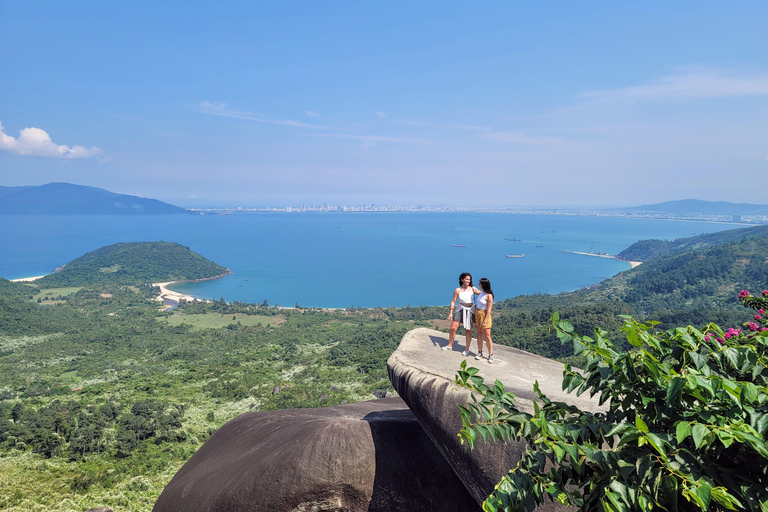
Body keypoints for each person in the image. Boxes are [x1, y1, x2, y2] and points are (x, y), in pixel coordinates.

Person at [444, 272, 480, 355]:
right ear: (462, 279)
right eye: (467, 279)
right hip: (460, 309)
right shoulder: (458, 290)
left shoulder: (473, 288)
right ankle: (450, 345)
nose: (468, 281)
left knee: (468, 330)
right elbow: (453, 301)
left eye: (469, 279)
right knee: (453, 328)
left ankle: (467, 349)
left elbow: (481, 294)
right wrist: (450, 312)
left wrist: (488, 294)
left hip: (470, 310)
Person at [474, 277, 495, 363]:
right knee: (479, 334)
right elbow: (476, 291)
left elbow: (489, 309)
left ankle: (491, 354)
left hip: (485, 315)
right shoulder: (481, 293)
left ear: (483, 285)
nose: (478, 284)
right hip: (478, 313)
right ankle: (480, 352)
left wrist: (485, 320)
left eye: (479, 283)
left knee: (487, 335)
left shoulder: (489, 295)